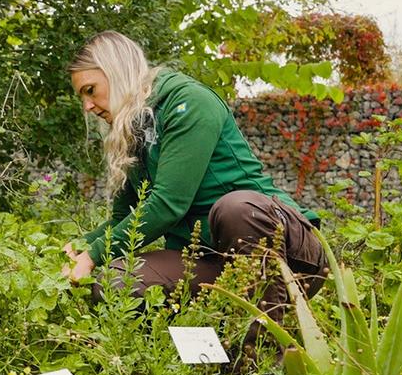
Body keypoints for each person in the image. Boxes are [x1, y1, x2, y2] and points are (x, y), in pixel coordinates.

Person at [60, 31, 324, 318]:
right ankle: (195, 351)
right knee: (114, 282)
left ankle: (260, 353)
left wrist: (93, 255)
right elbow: (126, 217)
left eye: (90, 90)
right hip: (209, 259)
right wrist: (81, 248)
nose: (87, 106)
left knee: (236, 209)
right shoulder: (133, 129)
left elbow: (167, 204)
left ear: (118, 73)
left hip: (287, 251)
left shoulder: (188, 102)